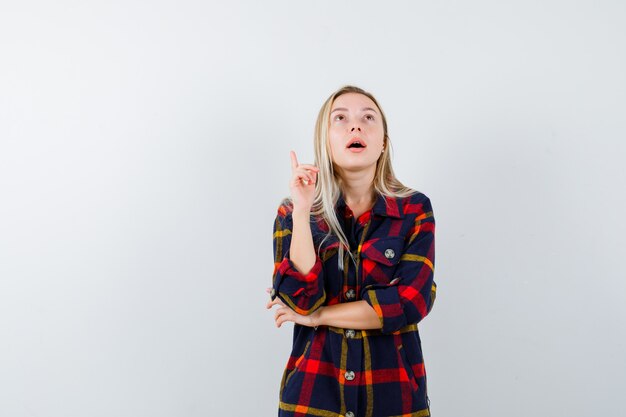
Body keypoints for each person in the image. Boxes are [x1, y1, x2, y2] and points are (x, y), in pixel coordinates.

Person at [265, 85, 437, 417]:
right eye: (340, 118)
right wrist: (303, 210)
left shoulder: (414, 209)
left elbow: (409, 302)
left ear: (383, 141)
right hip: (312, 400)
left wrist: (318, 317)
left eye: (368, 118)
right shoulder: (293, 212)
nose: (355, 126)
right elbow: (299, 299)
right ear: (325, 141)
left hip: (394, 400)